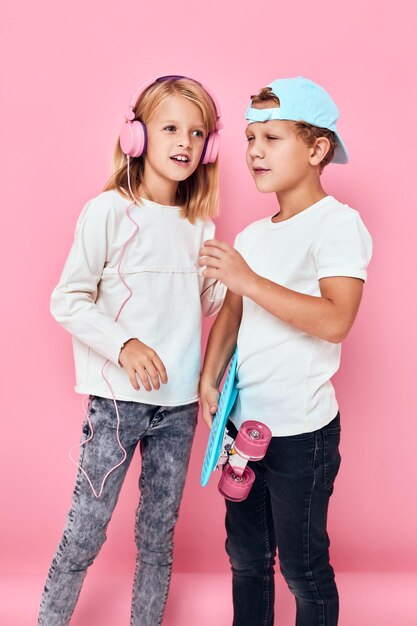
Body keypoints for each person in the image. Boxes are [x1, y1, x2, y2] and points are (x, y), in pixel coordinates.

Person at [38, 75, 225, 626]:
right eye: (171, 128)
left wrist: (233, 276)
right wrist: (124, 345)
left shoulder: (200, 224)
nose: (185, 143)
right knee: (86, 529)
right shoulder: (108, 211)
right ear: (136, 137)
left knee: (157, 537)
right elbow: (67, 299)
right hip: (117, 404)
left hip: (180, 407)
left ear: (209, 148)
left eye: (197, 133)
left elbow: (206, 303)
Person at [199, 76, 372, 626]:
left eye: (272, 138)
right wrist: (209, 379)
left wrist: (247, 280)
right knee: (246, 562)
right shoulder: (252, 236)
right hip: (245, 432)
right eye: (251, 138)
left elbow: (336, 319)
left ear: (317, 149)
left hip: (303, 436)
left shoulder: (338, 225)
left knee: (302, 568)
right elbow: (231, 313)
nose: (254, 151)